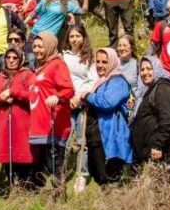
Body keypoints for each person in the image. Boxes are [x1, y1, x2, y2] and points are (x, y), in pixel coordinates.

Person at [10, 32, 74, 191]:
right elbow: (33, 95)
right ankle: (44, 197)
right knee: (41, 165)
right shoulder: (38, 69)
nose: (37, 50)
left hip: (53, 122)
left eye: (41, 46)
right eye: (35, 46)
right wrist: (14, 92)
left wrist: (57, 97)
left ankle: (59, 195)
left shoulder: (57, 64)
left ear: (51, 46)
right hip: (38, 124)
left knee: (54, 164)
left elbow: (69, 89)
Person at [130, 56, 170, 210]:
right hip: (152, 149)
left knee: (166, 185)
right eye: (142, 69)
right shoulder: (150, 89)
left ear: (157, 68)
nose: (145, 73)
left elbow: (168, 120)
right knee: (160, 186)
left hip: (162, 150)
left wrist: (158, 145)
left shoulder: (163, 88)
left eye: (149, 68)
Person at [77, 48, 133, 186]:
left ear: (113, 62)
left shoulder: (118, 81)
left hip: (109, 135)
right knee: (98, 173)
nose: (100, 65)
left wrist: (87, 95)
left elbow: (108, 102)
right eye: (97, 61)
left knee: (109, 176)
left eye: (104, 62)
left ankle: (114, 204)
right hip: (96, 134)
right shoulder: (102, 81)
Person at [0, 48, 35, 193]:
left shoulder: (28, 75)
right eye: (8, 57)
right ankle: (11, 185)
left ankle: (26, 186)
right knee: (7, 153)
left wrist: (15, 92)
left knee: (22, 153)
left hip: (22, 123)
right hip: (3, 122)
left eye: (15, 57)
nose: (11, 60)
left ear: (20, 59)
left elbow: (32, 95)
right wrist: (0, 97)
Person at [64, 25, 96, 191]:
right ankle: (62, 171)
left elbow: (93, 81)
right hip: (67, 103)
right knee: (66, 138)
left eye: (77, 36)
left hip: (82, 103)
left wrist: (81, 96)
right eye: (71, 36)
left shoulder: (89, 58)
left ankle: (82, 174)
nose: (74, 39)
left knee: (82, 139)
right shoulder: (64, 57)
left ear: (83, 37)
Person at [116, 36, 139, 102]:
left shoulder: (137, 65)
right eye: (119, 45)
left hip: (133, 101)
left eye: (125, 45)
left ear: (131, 48)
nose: (122, 48)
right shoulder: (113, 64)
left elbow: (141, 89)